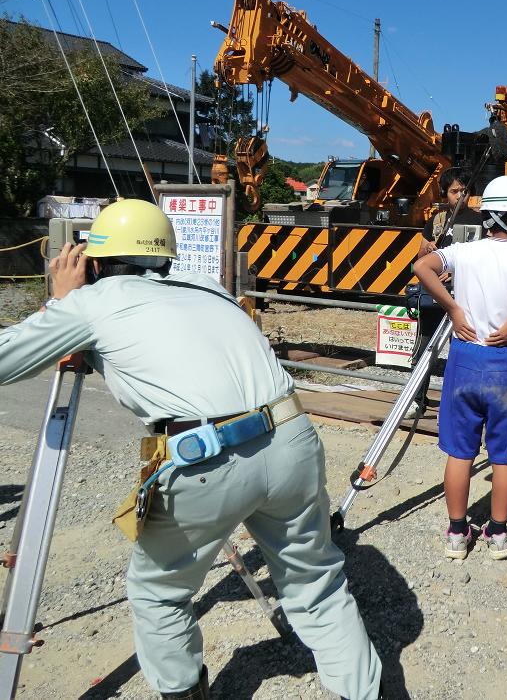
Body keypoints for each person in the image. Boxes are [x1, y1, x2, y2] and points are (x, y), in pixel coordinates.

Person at [0, 200, 382, 699]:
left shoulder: (92, 302)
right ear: (165, 257)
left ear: (95, 262)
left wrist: (61, 301)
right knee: (318, 587)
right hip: (292, 437)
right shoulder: (208, 287)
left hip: (207, 460)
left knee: (159, 593)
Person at [413, 176, 507, 561]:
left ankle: (458, 532)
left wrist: (454, 308)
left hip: (466, 357)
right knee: (505, 454)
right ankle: (500, 534)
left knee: (460, 452)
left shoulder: (463, 251)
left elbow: (422, 266)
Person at [410, 167, 485, 417]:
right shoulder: (437, 220)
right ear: (445, 194)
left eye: (464, 191)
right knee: (424, 348)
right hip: (435, 295)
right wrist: (430, 251)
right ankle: (416, 400)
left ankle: (460, 404)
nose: (459, 196)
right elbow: (419, 257)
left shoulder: (480, 220)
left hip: (464, 296)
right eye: (454, 191)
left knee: (462, 349)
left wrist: (455, 272)